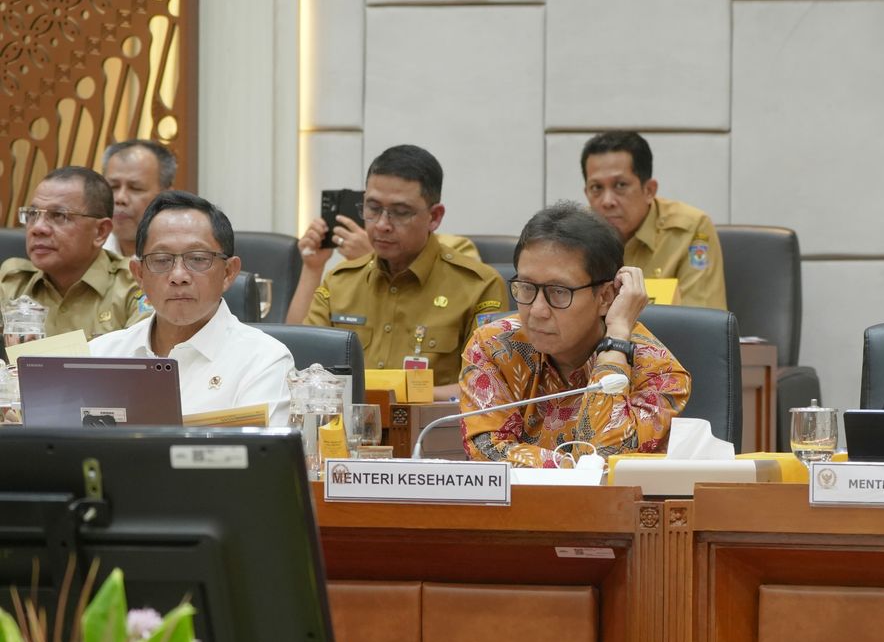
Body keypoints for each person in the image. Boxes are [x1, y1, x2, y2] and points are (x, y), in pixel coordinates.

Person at [459, 202, 691, 466]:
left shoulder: (659, 374)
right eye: (526, 287)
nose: (536, 310)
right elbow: (488, 453)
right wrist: (574, 465)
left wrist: (615, 341)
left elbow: (605, 463)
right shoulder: (495, 347)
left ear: (605, 297)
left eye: (558, 291)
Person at [291, 145, 505, 399]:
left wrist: (398, 396)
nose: (382, 224)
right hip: (343, 431)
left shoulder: (477, 286)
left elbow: (490, 386)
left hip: (431, 433)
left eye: (400, 213)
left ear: (434, 217)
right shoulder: (341, 282)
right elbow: (295, 364)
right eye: (372, 208)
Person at [90, 190, 294, 425]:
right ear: (139, 275)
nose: (178, 276)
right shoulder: (101, 357)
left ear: (228, 273)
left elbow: (257, 459)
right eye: (161, 260)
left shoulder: (264, 361)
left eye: (197, 259)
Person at [580, 131, 727, 310]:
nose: (607, 201)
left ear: (649, 190)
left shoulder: (691, 229)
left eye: (620, 185)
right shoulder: (577, 235)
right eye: (596, 188)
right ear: (586, 193)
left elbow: (702, 323)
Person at [0, 166, 147, 338]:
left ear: (100, 232)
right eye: (33, 214)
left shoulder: (134, 287)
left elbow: (139, 360)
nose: (37, 228)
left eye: (59, 216)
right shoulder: (11, 281)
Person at [102, 139, 176, 258]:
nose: (120, 198)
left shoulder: (185, 257)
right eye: (113, 186)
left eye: (135, 188)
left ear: (166, 197)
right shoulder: (86, 251)